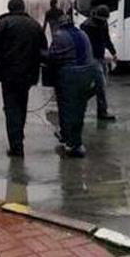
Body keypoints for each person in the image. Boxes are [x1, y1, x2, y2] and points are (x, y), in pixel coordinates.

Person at [0, 0, 47, 157]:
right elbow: (44, 50)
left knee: (11, 109)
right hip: (29, 75)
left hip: (8, 75)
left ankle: (16, 146)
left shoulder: (4, 24)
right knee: (21, 107)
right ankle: (18, 138)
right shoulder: (35, 25)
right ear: (23, 8)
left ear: (9, 8)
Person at [49, 15, 96, 158]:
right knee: (79, 110)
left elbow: (53, 57)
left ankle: (72, 143)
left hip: (70, 76)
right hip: (88, 74)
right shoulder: (83, 34)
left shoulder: (59, 36)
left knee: (67, 109)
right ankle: (74, 140)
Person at [80, 4, 118, 121]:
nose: (105, 21)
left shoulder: (103, 23)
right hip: (91, 58)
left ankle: (82, 98)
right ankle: (102, 111)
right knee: (100, 84)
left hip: (100, 57)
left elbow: (106, 39)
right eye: (104, 19)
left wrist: (113, 52)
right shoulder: (87, 25)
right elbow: (83, 43)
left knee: (101, 84)